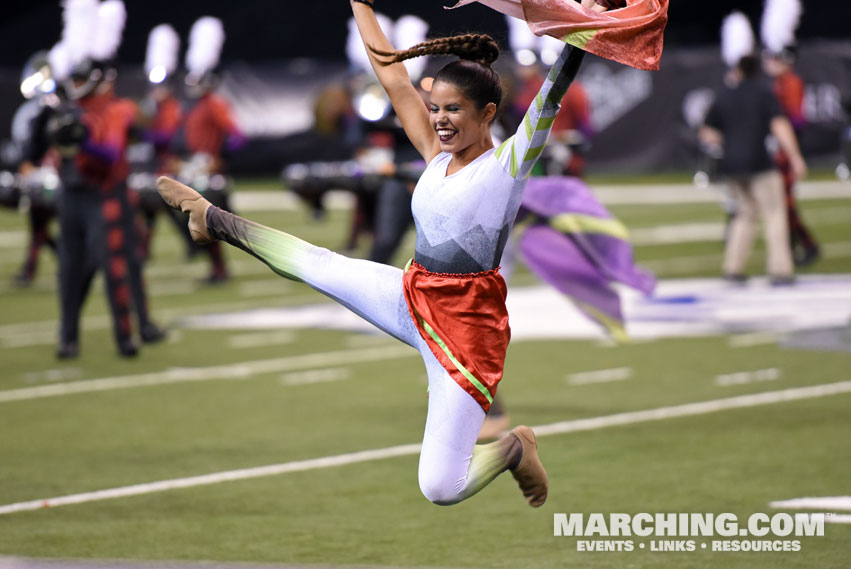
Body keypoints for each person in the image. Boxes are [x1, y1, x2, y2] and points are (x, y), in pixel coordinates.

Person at [157, 0, 631, 507]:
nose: (441, 121)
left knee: (440, 488)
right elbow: (392, 76)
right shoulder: (434, 152)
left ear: (487, 113)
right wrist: (361, 4)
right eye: (436, 109)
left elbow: (551, 97)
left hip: (465, 329)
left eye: (454, 110)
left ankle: (514, 448)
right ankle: (213, 219)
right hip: (410, 293)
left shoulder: (506, 167)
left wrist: (582, 32)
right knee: (317, 265)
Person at [700, 54, 807, 285]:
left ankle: (733, 268)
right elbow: (779, 125)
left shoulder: (724, 94)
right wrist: (795, 156)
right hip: (759, 161)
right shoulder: (764, 93)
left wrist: (729, 142)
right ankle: (780, 270)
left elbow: (707, 132)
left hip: (732, 164)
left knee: (745, 214)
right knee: (774, 213)